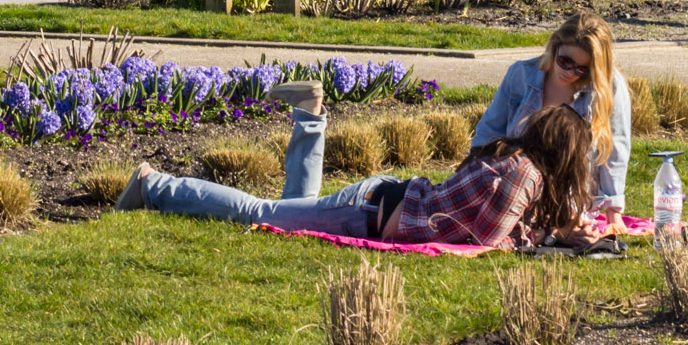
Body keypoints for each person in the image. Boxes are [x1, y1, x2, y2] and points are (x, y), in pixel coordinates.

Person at [117, 89, 596, 251]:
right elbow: (488, 242)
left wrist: (556, 233)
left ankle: (309, 117)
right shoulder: (526, 174)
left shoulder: (517, 160)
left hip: (379, 202)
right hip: (367, 211)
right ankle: (154, 184)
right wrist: (554, 239)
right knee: (258, 211)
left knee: (282, 212)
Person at [472, 12, 632, 232]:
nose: (570, 72)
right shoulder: (521, 75)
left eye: (582, 69)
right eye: (565, 61)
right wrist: (472, 179)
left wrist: (614, 213)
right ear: (554, 46)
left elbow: (615, 149)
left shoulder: (609, 85)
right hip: (515, 188)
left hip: (571, 197)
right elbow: (489, 131)